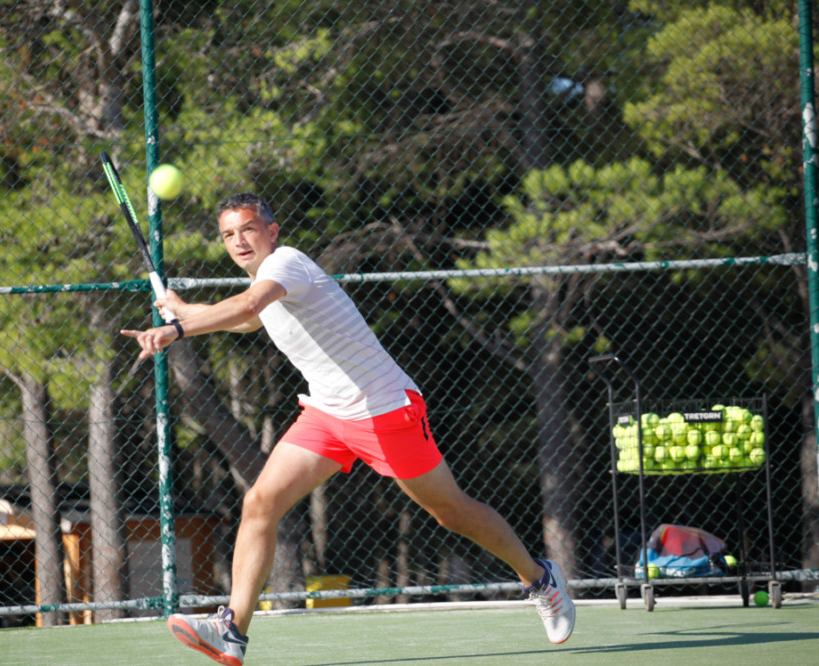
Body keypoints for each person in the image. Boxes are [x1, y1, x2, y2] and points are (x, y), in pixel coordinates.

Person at [121, 194, 575, 666]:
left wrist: (174, 330)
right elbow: (250, 319)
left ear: (272, 232)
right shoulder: (262, 281)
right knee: (259, 503)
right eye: (229, 234)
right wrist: (182, 310)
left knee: (450, 511)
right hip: (328, 415)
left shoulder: (287, 263)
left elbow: (248, 304)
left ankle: (540, 579)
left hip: (384, 411)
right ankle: (231, 630)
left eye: (248, 229)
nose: (239, 241)